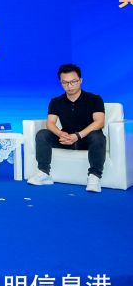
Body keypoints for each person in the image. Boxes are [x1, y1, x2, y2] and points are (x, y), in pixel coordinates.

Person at [28, 64, 106, 192]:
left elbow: (99, 122)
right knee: (42, 134)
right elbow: (50, 123)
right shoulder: (56, 101)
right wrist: (60, 134)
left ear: (80, 80)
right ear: (61, 83)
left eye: (73, 81)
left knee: (97, 135)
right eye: (65, 83)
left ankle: (94, 177)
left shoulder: (94, 99)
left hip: (86, 140)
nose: (69, 86)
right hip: (65, 139)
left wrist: (78, 135)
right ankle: (44, 173)